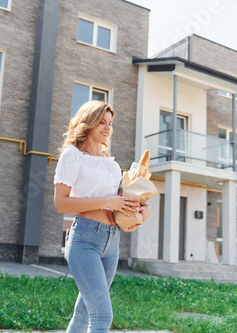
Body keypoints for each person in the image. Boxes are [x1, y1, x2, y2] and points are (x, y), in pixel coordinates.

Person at [53, 100, 150, 332]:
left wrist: (141, 210)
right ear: (88, 124)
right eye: (101, 122)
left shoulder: (111, 163)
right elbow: (61, 203)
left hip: (112, 239)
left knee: (84, 312)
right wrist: (109, 201)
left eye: (110, 123)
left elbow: (120, 199)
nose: (107, 128)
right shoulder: (73, 155)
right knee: (102, 316)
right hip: (85, 239)